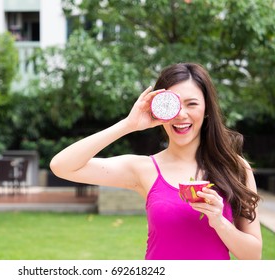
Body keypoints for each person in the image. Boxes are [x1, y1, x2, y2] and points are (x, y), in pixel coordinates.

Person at [50, 62, 262, 260]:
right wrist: (128, 124)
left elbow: (253, 256)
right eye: (174, 104)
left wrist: (220, 222)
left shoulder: (235, 168)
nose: (181, 114)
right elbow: (62, 166)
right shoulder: (144, 169)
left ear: (206, 110)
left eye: (192, 104)